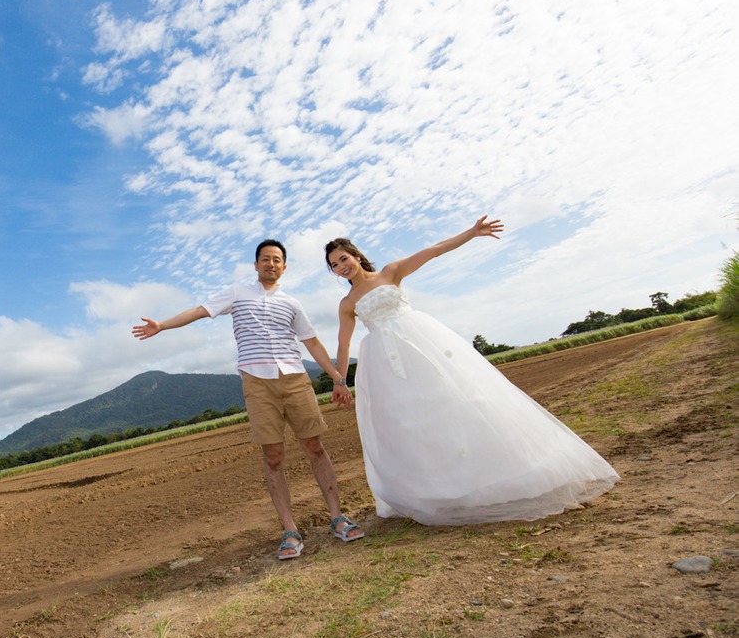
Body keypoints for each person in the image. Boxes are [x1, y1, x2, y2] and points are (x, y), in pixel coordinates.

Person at [324, 216, 620, 525]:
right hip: (385, 363)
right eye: (334, 265)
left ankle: (519, 476)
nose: (341, 266)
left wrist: (472, 233)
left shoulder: (390, 272)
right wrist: (339, 381)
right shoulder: (347, 303)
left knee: (463, 403)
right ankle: (444, 492)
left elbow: (435, 250)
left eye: (343, 258)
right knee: (414, 424)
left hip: (422, 344)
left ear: (356, 255)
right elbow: (343, 346)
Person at [132, 239, 365, 559]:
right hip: (257, 384)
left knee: (314, 446)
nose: (271, 264)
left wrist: (339, 379)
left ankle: (338, 517)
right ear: (256, 265)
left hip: (296, 379)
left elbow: (312, 343)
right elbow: (200, 311)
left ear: (284, 267)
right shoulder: (238, 293)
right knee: (273, 456)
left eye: (277, 260)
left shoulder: (293, 303)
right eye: (265, 259)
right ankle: (289, 531)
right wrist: (162, 325)